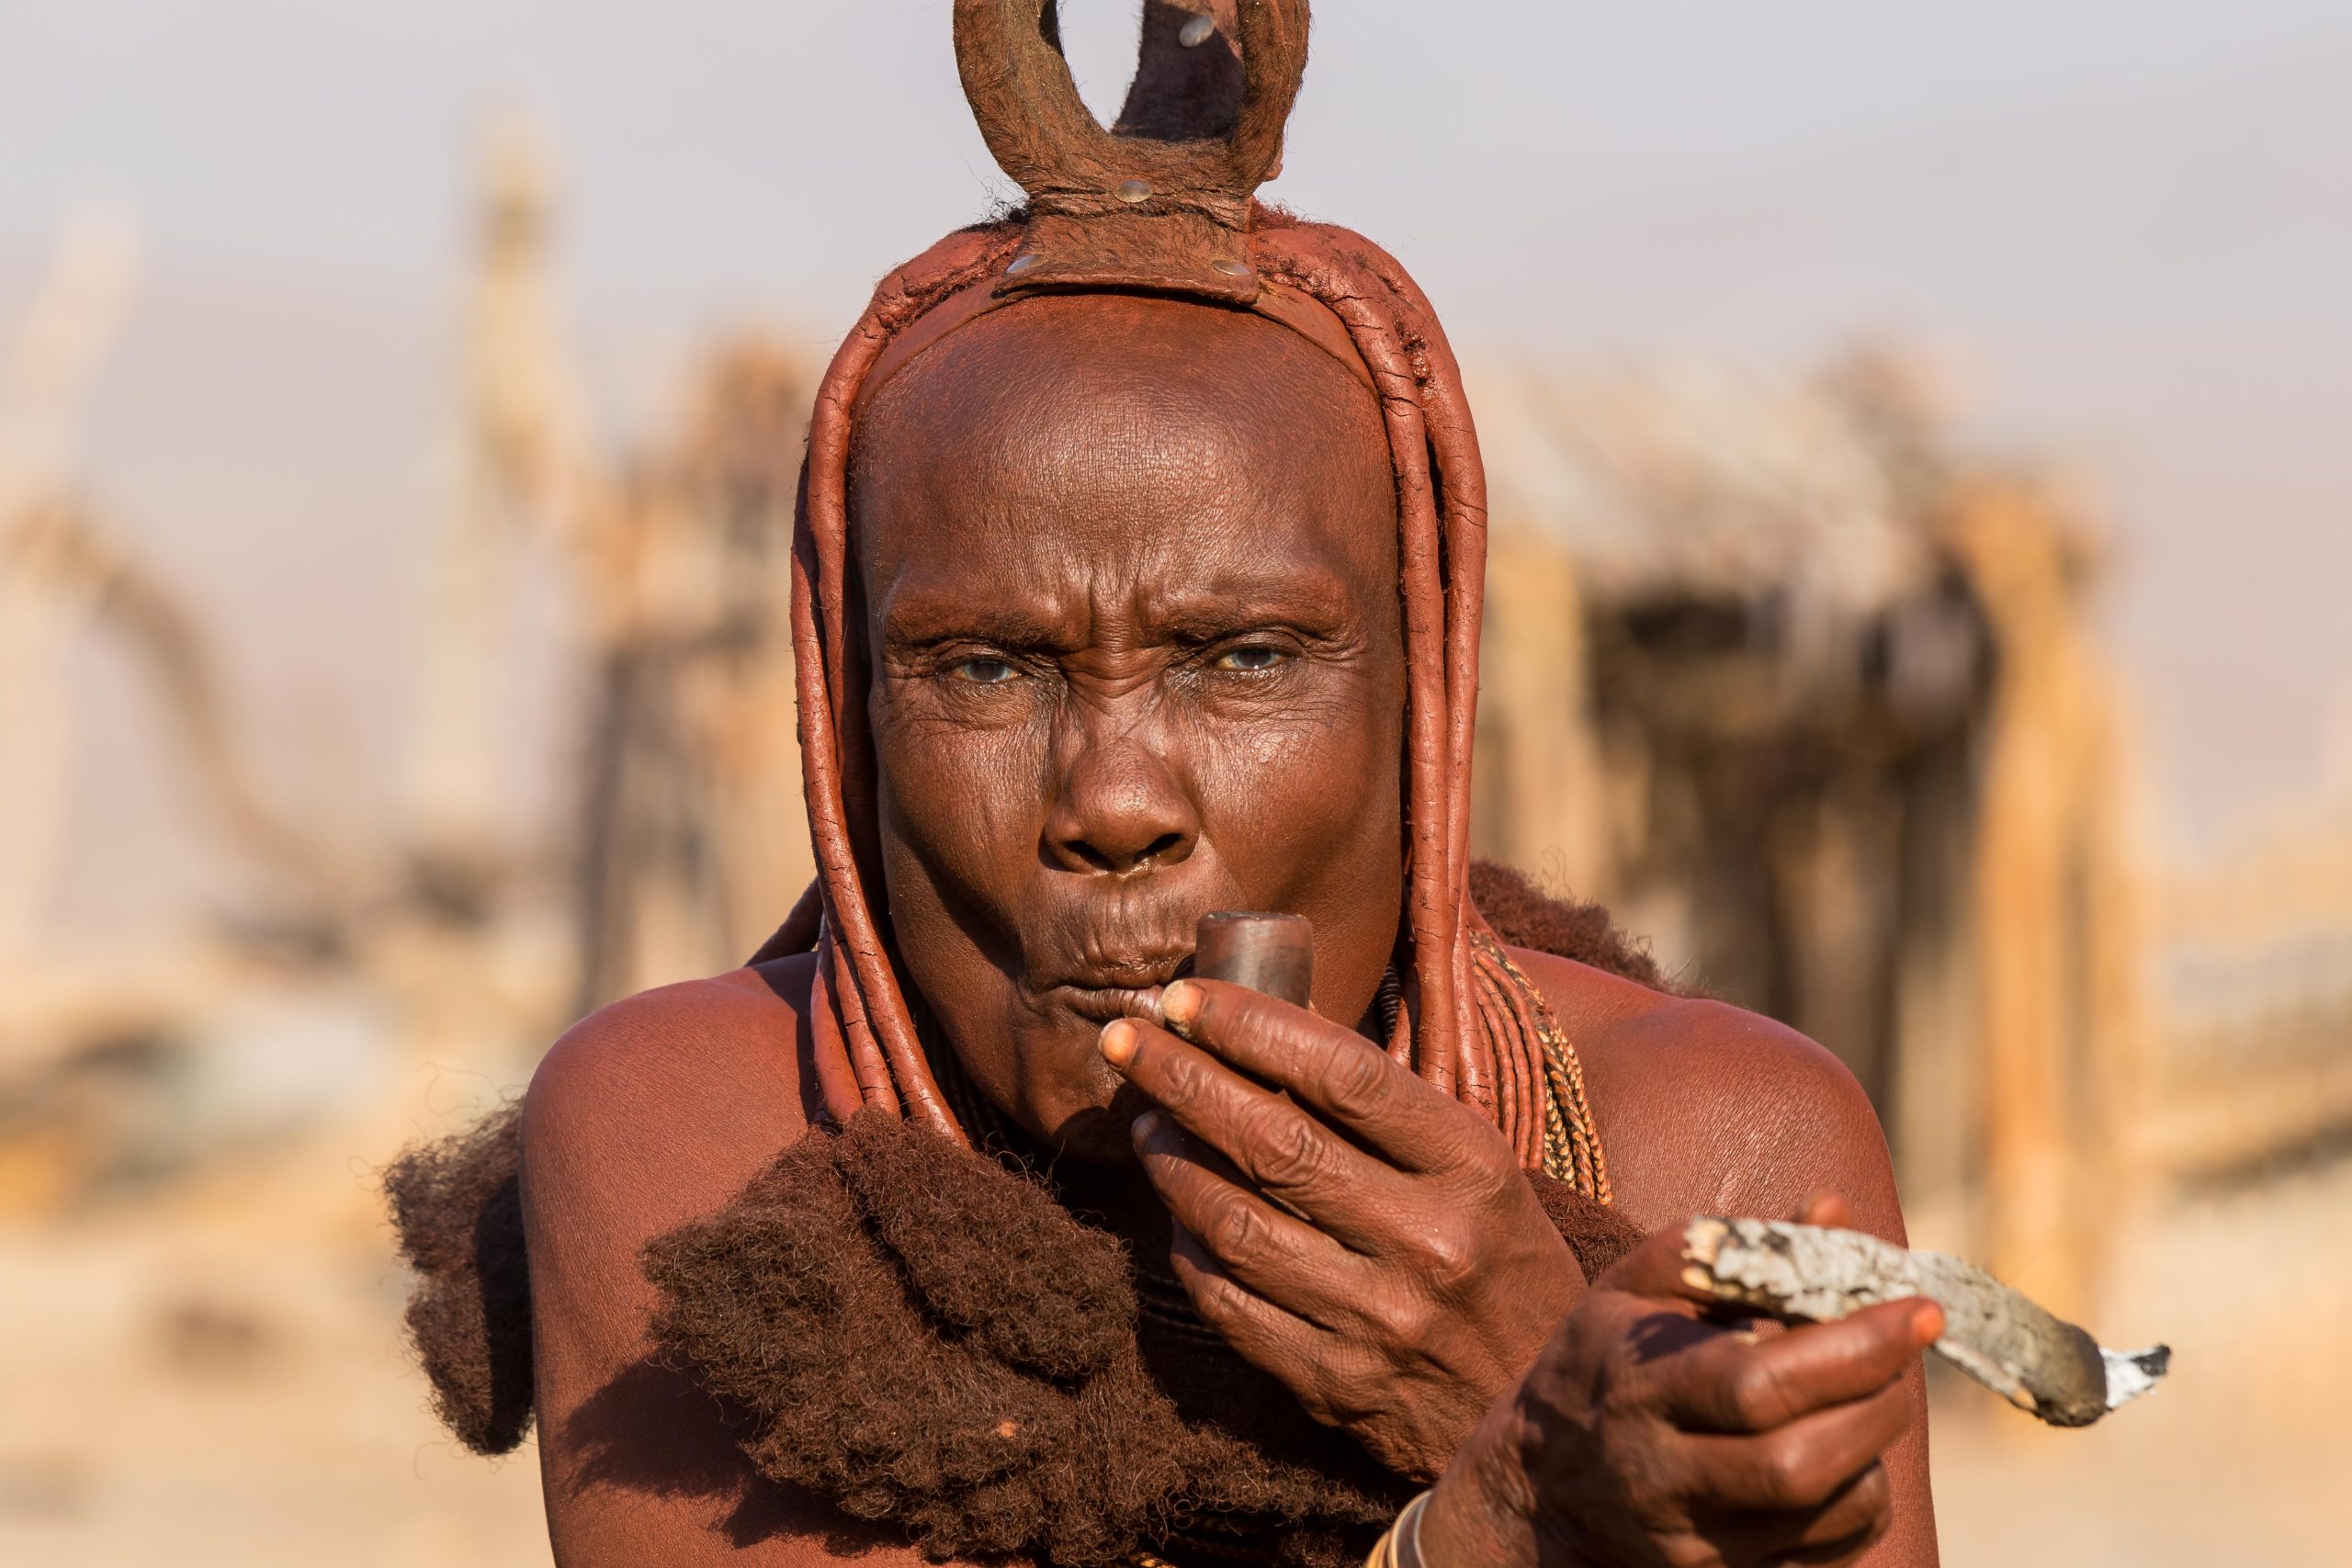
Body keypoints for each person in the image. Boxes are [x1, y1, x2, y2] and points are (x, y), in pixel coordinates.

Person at [390, 6, 1939, 1565]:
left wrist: (1541, 1375)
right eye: (987, 670)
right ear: (850, 729)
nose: (1116, 803)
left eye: (1246, 658)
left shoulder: (1714, 1155)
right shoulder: (704, 1149)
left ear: (1423, 710)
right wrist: (1512, 1479)